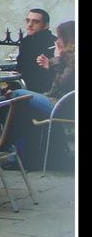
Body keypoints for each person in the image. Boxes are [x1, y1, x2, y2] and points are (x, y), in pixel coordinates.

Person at [6, 20, 74, 168]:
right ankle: (21, 156)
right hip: (57, 102)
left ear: (68, 38)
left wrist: (54, 61)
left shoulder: (74, 60)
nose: (57, 41)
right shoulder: (68, 57)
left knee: (18, 95)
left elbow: (63, 84)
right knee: (5, 104)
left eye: (59, 37)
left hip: (64, 107)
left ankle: (18, 155)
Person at [12, 8, 58, 94]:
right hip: (24, 89)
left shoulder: (52, 44)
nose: (29, 25)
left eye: (35, 22)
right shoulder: (26, 42)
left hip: (43, 92)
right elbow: (21, 69)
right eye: (28, 21)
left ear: (46, 25)